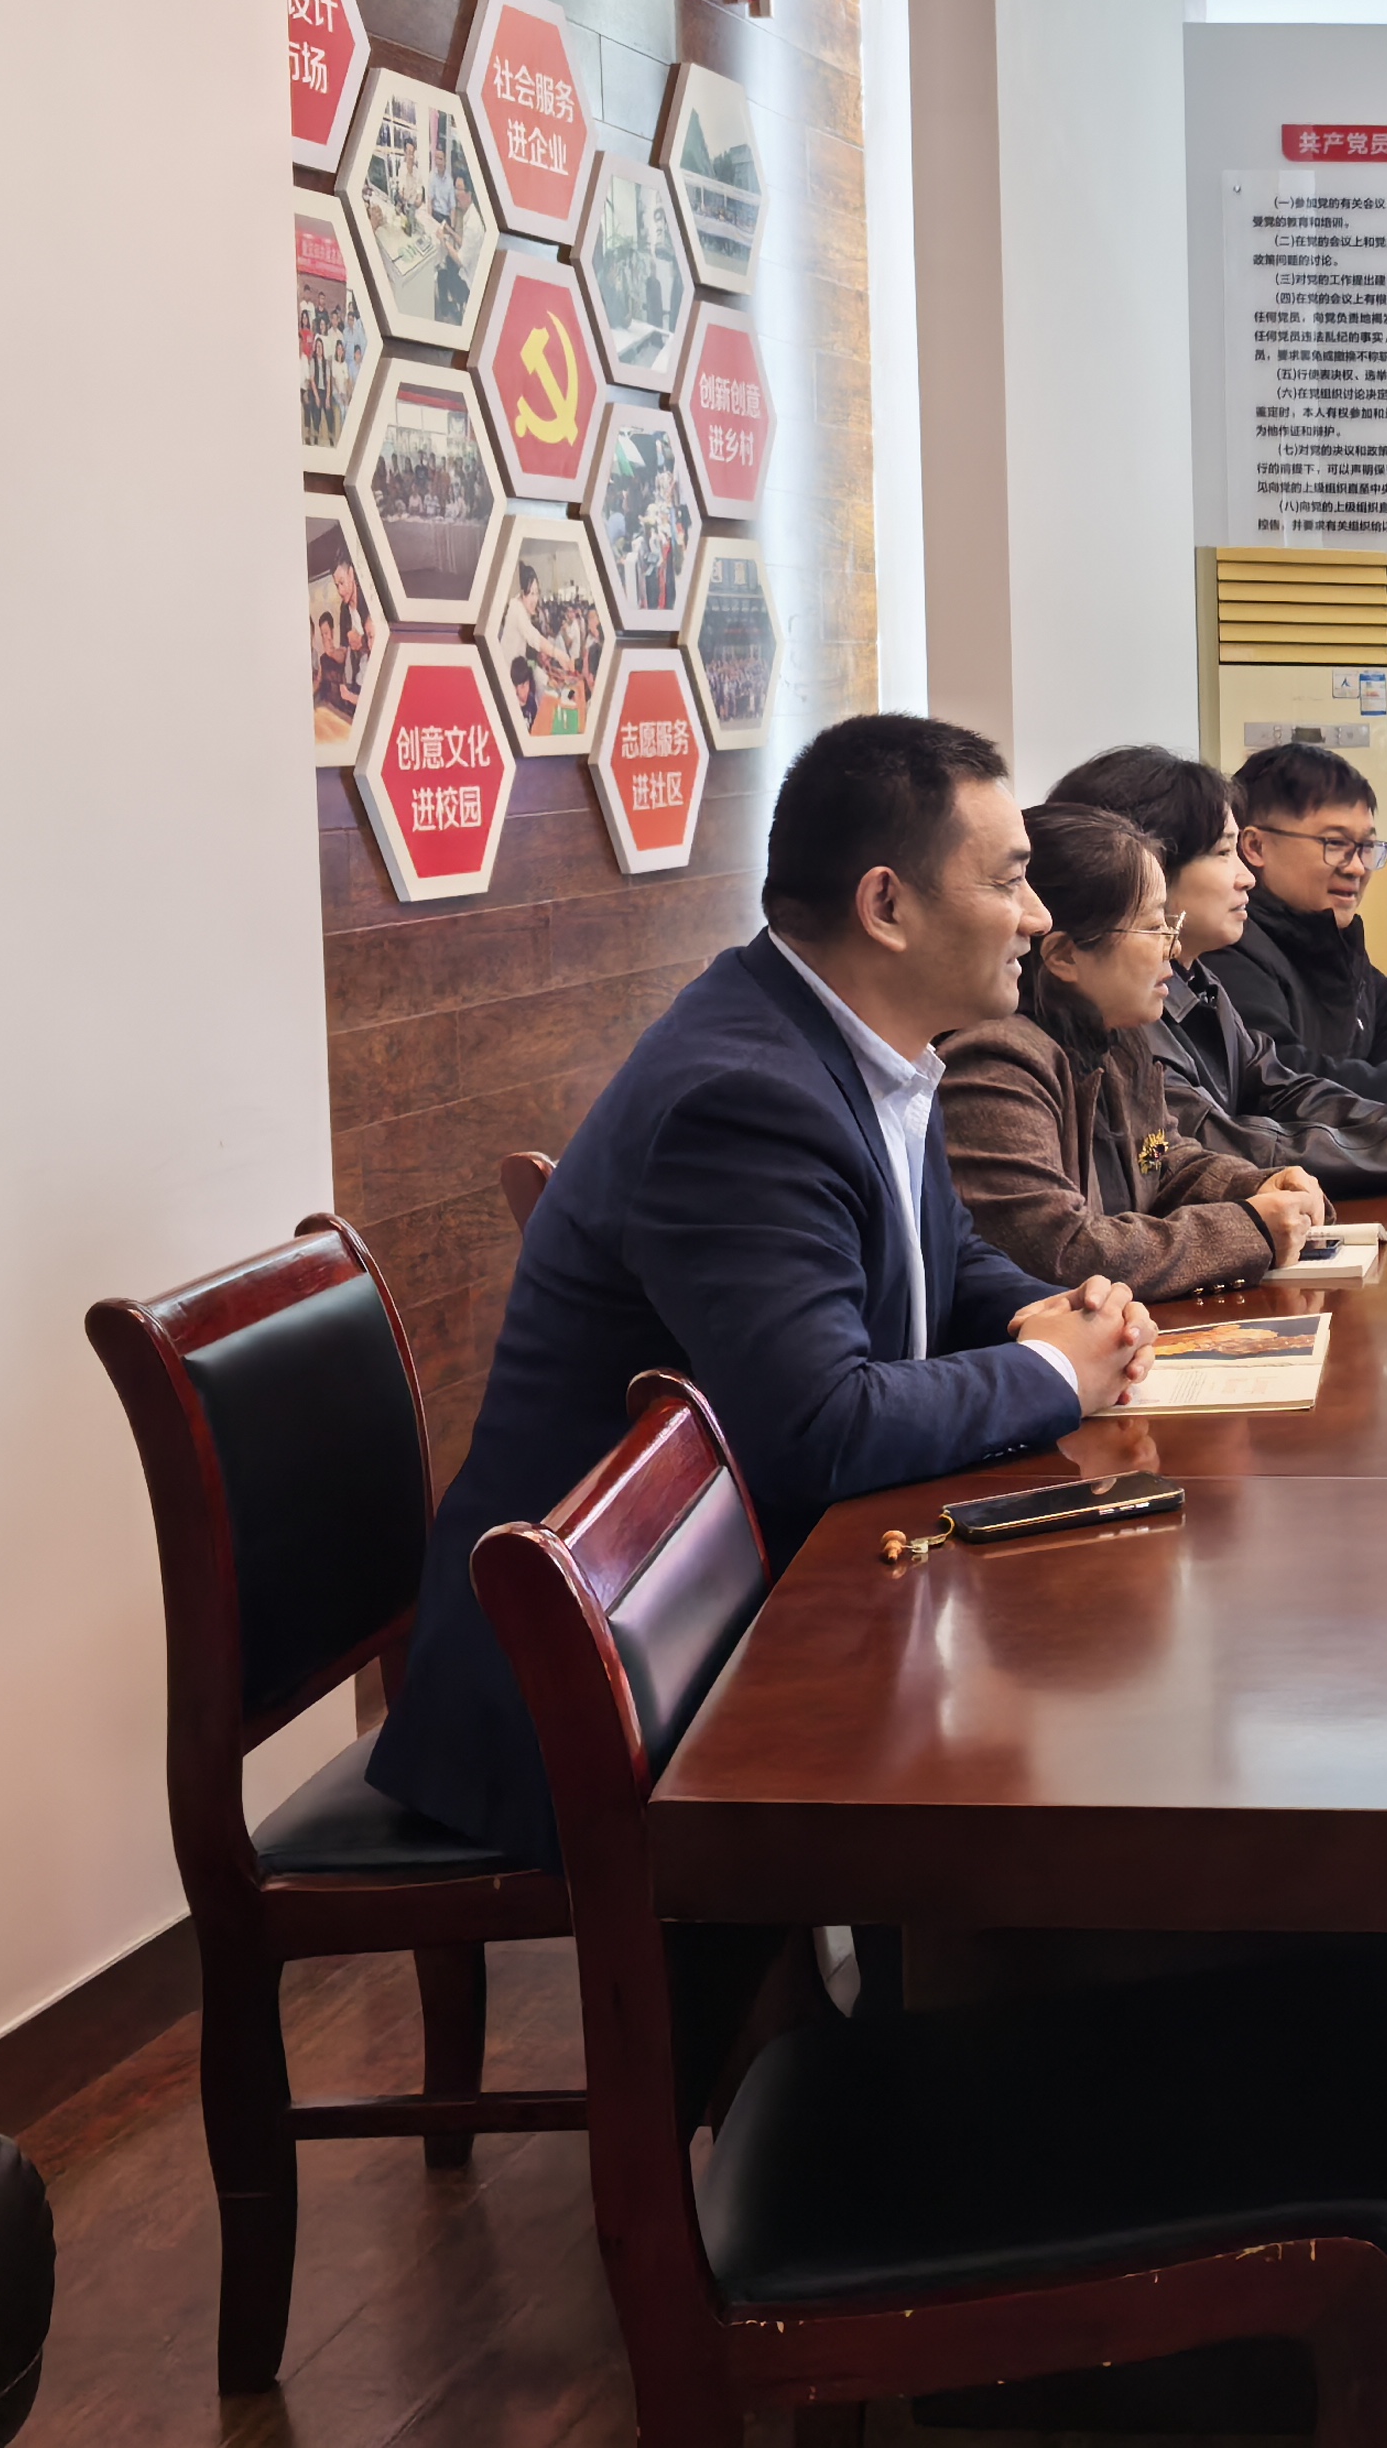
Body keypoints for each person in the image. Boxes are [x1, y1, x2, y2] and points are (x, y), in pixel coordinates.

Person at [371, 716, 1158, 1869]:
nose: (1038, 918)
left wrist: (1061, 1314)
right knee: (1073, 1762)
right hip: (599, 1698)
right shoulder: (744, 1096)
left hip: (736, 1610)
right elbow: (819, 1429)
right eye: (1010, 881)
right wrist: (1050, 1372)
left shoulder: (856, 1041)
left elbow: (941, 1257)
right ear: (886, 906)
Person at [939, 802, 1333, 1297]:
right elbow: (1062, 1253)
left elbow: (1160, 1161)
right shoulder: (996, 1064)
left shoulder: (1118, 1039)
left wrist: (1257, 1187)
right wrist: (1251, 1228)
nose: (1173, 946)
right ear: (1064, 955)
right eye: (1152, 927)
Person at [1048, 744, 1387, 1186]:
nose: (1247, 876)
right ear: (1144, 866)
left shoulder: (1198, 982)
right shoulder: (1123, 1011)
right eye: (1223, 852)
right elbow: (1199, 1144)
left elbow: (1278, 1084)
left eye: (1365, 846)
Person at [1204, 743, 1387, 1127]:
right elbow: (1279, 1079)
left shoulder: (1328, 933)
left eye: (1366, 847)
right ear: (1256, 845)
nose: (1357, 868)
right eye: (1336, 844)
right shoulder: (1227, 945)